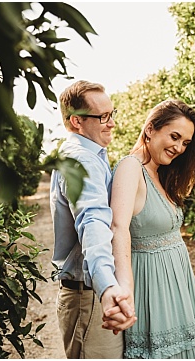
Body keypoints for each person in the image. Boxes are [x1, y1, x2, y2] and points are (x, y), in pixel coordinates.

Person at [105, 99, 195, 358]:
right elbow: (118, 227)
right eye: (174, 137)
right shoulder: (131, 167)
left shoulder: (159, 171)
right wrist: (125, 289)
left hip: (178, 285)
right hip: (153, 287)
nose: (179, 148)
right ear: (150, 129)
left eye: (185, 143)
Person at [50, 80, 136, 358]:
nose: (112, 123)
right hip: (88, 296)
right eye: (103, 116)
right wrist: (107, 287)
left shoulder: (90, 155)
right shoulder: (82, 161)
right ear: (77, 121)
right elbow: (93, 224)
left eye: (112, 113)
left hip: (88, 293)